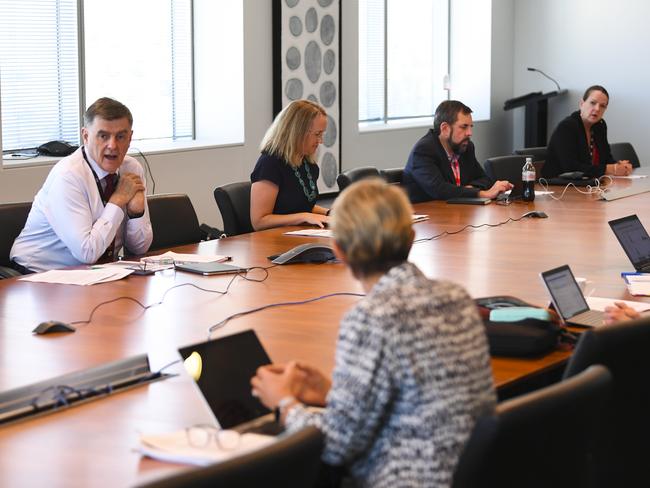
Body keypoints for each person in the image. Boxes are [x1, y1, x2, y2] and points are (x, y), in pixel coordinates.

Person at [251, 179, 496, 488]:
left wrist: (285, 403)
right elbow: (414, 399)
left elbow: (337, 446)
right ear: (411, 237)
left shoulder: (371, 318)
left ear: (338, 250)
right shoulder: (457, 298)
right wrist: (333, 394)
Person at [10, 97, 152, 273]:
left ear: (130, 138)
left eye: (121, 136)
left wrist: (136, 213)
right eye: (103, 136)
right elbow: (87, 252)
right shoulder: (68, 175)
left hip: (97, 275)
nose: (112, 145)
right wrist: (118, 200)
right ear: (85, 136)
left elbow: (140, 249)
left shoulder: (131, 169)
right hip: (39, 275)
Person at [403, 100, 512, 202]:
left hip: (455, 213)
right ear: (445, 129)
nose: (469, 133)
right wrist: (482, 194)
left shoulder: (466, 148)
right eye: (464, 127)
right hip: (427, 218)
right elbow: (439, 190)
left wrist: (469, 189)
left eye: (470, 127)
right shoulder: (424, 150)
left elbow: (484, 179)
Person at [250, 99, 330, 230]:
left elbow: (299, 206)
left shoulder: (307, 163)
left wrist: (328, 213)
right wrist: (304, 216)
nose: (320, 141)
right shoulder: (269, 164)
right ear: (297, 132)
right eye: (317, 134)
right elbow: (259, 221)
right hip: (272, 241)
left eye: (322, 134)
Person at [543, 85, 633, 178]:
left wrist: (619, 166)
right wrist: (609, 169)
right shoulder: (567, 127)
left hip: (589, 185)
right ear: (582, 104)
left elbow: (606, 159)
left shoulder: (600, 125)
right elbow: (570, 168)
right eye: (593, 103)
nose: (597, 109)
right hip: (558, 187)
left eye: (602, 106)